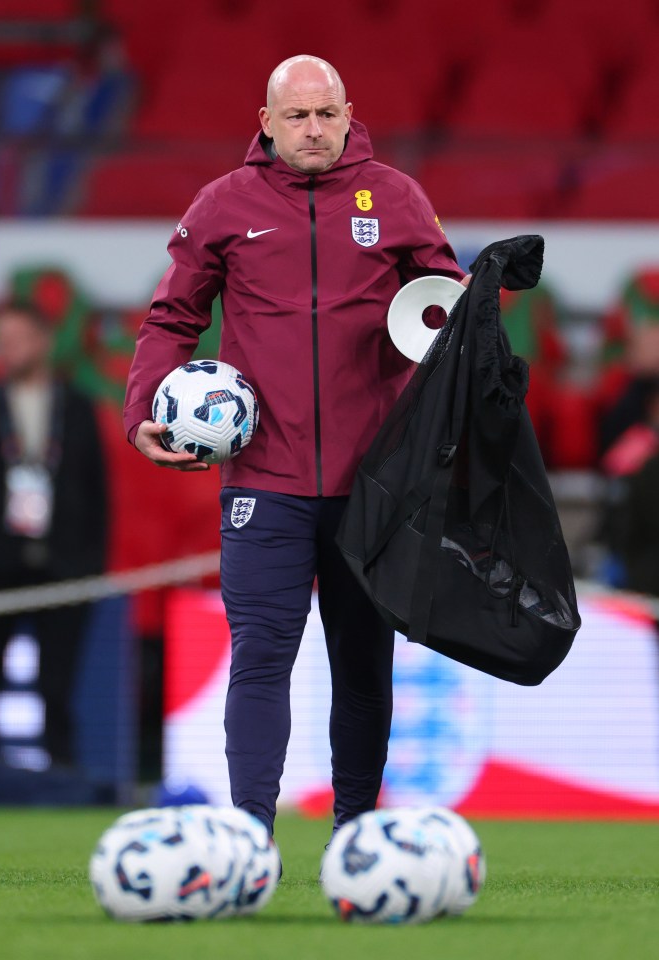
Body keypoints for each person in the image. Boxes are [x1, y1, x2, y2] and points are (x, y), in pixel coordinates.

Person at [124, 55, 466, 840]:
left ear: (349, 115)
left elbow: (447, 313)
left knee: (363, 662)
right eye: (297, 116)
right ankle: (249, 835)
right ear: (266, 124)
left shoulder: (397, 196)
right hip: (264, 480)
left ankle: (356, 834)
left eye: (326, 114)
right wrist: (144, 409)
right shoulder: (224, 205)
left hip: (373, 483)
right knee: (261, 658)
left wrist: (474, 305)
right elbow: (172, 319)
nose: (313, 130)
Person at [0, 301, 108, 765]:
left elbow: (98, 491)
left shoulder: (76, 407)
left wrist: (92, 566)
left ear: (43, 341)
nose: (7, 350)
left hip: (64, 567)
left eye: (16, 339)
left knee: (59, 681)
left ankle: (63, 777)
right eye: (0, 340)